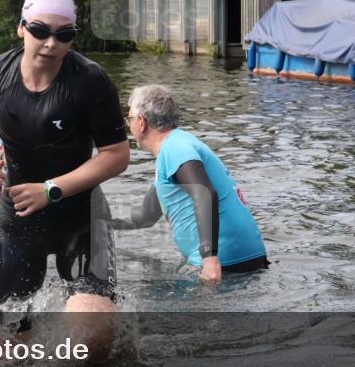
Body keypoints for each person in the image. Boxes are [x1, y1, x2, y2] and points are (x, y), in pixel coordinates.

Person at [0, 0, 130, 326]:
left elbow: (117, 155)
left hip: (81, 215)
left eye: (64, 35)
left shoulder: (90, 80)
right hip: (19, 219)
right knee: (3, 348)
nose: (51, 43)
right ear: (22, 28)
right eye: (40, 31)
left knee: (92, 329)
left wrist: (51, 189)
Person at [114, 85, 268, 283]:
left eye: (130, 119)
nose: (129, 125)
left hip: (226, 266)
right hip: (243, 259)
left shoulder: (175, 148)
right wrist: (104, 224)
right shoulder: (176, 148)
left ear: (142, 122)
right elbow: (145, 217)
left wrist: (209, 259)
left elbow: (204, 193)